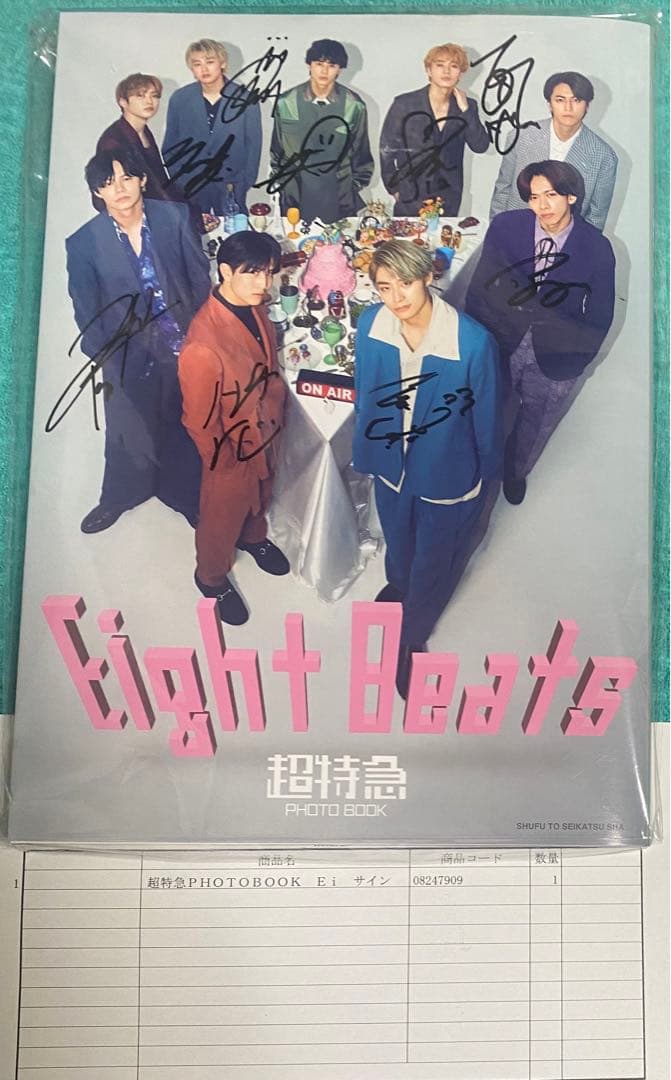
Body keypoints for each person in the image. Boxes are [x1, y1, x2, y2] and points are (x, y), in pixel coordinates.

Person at [353, 240, 503, 697]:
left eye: (405, 283)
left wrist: (485, 477)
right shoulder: (371, 323)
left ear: (427, 278)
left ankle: (413, 635)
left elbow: (488, 419)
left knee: (434, 559)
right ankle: (400, 585)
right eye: (385, 287)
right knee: (398, 536)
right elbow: (365, 390)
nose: (396, 297)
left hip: (447, 469)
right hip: (390, 462)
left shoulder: (472, 343)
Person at [66, 146, 211, 534]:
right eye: (108, 182)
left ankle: (184, 495)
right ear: (97, 192)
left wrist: (203, 339)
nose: (120, 189)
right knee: (127, 427)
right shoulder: (83, 243)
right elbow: (86, 309)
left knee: (185, 421)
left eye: (127, 177)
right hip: (127, 352)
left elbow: (199, 279)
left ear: (143, 180)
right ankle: (120, 496)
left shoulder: (174, 217)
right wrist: (109, 359)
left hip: (183, 343)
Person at [467, 159, 615, 505]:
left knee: (537, 419)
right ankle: (478, 463)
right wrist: (474, 345)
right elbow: (479, 288)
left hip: (556, 353)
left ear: (572, 196)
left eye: (551, 195)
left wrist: (577, 359)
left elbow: (600, 315)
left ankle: (515, 470)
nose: (541, 206)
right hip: (500, 340)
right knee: (485, 408)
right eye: (534, 197)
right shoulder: (505, 227)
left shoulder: (597, 248)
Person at [178, 232, 289, 625]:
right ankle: (210, 577)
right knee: (221, 515)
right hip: (231, 449)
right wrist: (223, 463)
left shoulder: (253, 305)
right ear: (225, 271)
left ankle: (254, 537)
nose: (264, 283)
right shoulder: (203, 345)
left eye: (268, 273)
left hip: (266, 429)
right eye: (253, 273)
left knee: (263, 491)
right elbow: (198, 420)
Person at [489, 71, 618, 231]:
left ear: (587, 105)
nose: (568, 107)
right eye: (560, 100)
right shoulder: (521, 136)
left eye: (576, 100)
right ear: (549, 104)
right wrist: (496, 232)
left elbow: (596, 217)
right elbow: (502, 190)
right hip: (516, 230)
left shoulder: (604, 156)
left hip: (567, 239)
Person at [380, 42, 490, 217]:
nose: (446, 71)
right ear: (429, 70)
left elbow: (480, 146)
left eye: (454, 66)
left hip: (448, 197)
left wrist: (466, 111)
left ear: (461, 73)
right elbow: (387, 149)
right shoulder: (405, 104)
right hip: (410, 196)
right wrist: (394, 188)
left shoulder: (467, 106)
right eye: (440, 65)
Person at [270, 38, 374, 224]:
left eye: (332, 65)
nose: (324, 71)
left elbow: (362, 153)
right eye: (319, 64)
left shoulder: (353, 106)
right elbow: (277, 149)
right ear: (309, 65)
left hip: (338, 195)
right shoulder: (286, 103)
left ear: (340, 69)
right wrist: (282, 184)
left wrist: (353, 186)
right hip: (295, 193)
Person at [162, 38, 262, 221]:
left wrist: (243, 182)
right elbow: (170, 146)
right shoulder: (180, 99)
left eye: (209, 62)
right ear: (191, 69)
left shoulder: (246, 99)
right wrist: (182, 181)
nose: (204, 69)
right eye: (197, 64)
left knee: (235, 234)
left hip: (232, 185)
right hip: (191, 186)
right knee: (194, 234)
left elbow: (253, 146)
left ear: (222, 63)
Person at [96, 74, 177, 207]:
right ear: (123, 102)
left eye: (154, 96)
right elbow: (108, 193)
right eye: (140, 96)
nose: (149, 101)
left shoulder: (144, 131)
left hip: (159, 209)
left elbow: (160, 181)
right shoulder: (113, 141)